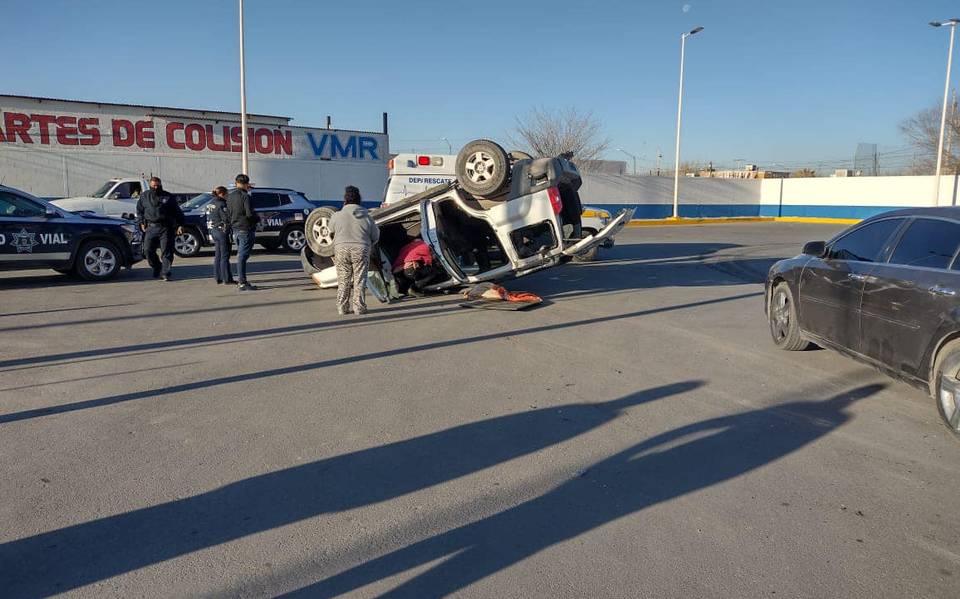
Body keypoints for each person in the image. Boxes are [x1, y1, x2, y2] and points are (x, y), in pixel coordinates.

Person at [330, 185, 379, 315]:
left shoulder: (336, 216)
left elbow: (330, 230)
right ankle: (359, 307)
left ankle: (342, 307)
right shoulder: (367, 216)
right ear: (359, 201)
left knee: (343, 279)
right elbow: (375, 236)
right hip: (361, 250)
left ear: (345, 200)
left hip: (341, 249)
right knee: (359, 279)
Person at [136, 176, 185, 281]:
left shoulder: (168, 197)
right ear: (150, 185)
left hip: (166, 228)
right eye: (154, 185)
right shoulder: (144, 196)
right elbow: (139, 211)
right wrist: (141, 222)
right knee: (147, 251)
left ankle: (165, 272)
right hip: (151, 227)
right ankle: (157, 266)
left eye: (158, 185)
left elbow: (177, 212)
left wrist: (180, 225)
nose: (156, 187)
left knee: (166, 251)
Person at [225, 174, 259, 291]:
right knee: (243, 256)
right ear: (246, 184)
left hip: (235, 228)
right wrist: (257, 219)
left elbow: (228, 213)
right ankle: (242, 282)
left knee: (241, 254)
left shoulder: (230, 196)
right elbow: (249, 213)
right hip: (245, 228)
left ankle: (241, 280)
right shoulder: (245, 196)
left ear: (236, 182)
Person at [206, 186, 234, 285]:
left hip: (213, 231)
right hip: (222, 231)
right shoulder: (222, 204)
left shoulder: (210, 203)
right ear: (222, 194)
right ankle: (227, 279)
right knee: (225, 256)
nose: (228, 196)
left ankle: (218, 277)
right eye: (227, 194)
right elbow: (226, 219)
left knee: (218, 255)